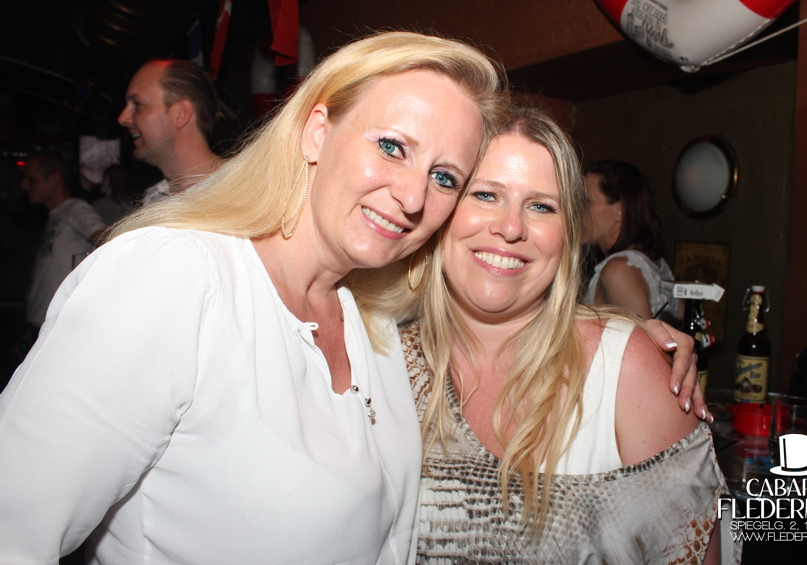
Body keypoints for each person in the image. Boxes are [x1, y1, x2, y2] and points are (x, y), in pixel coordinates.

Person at [0, 31, 507, 564]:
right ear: (316, 132)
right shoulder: (174, 277)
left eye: (444, 177)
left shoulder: (371, 318)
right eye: (392, 147)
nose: (413, 196)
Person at [397, 106, 729, 563]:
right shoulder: (381, 359)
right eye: (486, 195)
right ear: (441, 210)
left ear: (568, 235)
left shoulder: (625, 370)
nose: (511, 227)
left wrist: (629, 344)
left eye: (541, 206)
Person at [582, 159, 679, 323]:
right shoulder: (657, 264)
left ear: (619, 211)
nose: (576, 210)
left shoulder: (619, 270)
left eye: (586, 202)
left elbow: (641, 338)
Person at [20, 151, 107, 330]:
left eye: (32, 179)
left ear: (55, 180)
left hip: (60, 327)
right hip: (41, 324)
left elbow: (109, 239)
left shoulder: (75, 209)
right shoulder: (56, 215)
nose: (24, 185)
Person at [117, 58, 224, 203]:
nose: (122, 118)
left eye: (137, 104)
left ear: (181, 113)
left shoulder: (243, 191)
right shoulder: (154, 199)